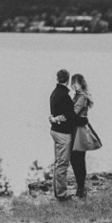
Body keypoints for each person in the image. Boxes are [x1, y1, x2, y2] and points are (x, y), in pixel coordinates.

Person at [48, 69, 85, 201]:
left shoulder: (54, 93)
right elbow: (71, 116)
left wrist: (54, 119)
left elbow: (62, 114)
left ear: (57, 78)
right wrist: (83, 121)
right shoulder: (64, 96)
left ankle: (57, 192)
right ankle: (62, 195)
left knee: (58, 163)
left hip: (55, 131)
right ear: (68, 80)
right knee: (63, 164)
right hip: (63, 133)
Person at [69, 73, 94, 198]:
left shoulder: (82, 97)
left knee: (78, 159)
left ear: (81, 83)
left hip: (79, 131)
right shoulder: (77, 96)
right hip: (76, 129)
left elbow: (74, 112)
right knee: (76, 159)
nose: (73, 86)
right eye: (72, 83)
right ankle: (80, 188)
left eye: (76, 83)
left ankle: (81, 188)